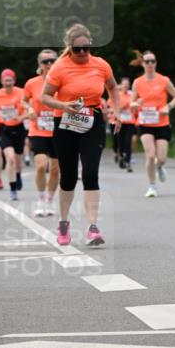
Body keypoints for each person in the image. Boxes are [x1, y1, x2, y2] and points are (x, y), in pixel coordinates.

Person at [41, 24, 120, 246]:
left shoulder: (101, 64)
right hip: (65, 123)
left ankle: (93, 227)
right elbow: (44, 97)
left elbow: (113, 88)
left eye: (86, 48)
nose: (83, 53)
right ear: (70, 48)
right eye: (77, 49)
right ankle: (64, 222)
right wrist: (63, 105)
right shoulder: (59, 67)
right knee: (67, 177)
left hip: (92, 121)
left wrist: (117, 112)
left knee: (91, 173)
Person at [129, 51, 175, 198]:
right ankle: (152, 186)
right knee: (150, 156)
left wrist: (168, 107)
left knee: (162, 158)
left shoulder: (164, 80)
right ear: (143, 64)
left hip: (162, 123)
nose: (150, 64)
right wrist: (136, 103)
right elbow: (131, 103)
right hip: (145, 123)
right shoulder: (137, 82)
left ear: (156, 63)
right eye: (147, 62)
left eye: (153, 61)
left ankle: (160, 167)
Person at [22, 49, 60, 216]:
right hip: (38, 129)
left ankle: (50, 201)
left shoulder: (62, 82)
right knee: (40, 167)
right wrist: (29, 108)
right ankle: (41, 199)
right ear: (40, 65)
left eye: (52, 60)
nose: (49, 64)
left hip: (58, 130)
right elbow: (23, 100)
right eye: (46, 61)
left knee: (55, 170)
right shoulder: (32, 83)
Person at [0, 69, 26, 201]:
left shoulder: (21, 92)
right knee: (10, 158)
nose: (7, 83)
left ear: (14, 81)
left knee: (17, 160)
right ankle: (13, 190)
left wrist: (22, 117)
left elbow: (28, 108)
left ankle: (18, 174)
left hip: (18, 128)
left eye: (10, 80)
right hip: (4, 129)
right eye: (5, 80)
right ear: (2, 81)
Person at [117, 76, 136, 171]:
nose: (126, 86)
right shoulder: (117, 95)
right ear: (121, 85)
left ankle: (128, 162)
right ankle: (121, 156)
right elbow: (116, 108)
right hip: (120, 121)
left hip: (130, 121)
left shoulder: (132, 94)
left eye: (127, 84)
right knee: (120, 141)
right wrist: (125, 105)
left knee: (128, 141)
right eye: (124, 84)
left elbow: (135, 105)